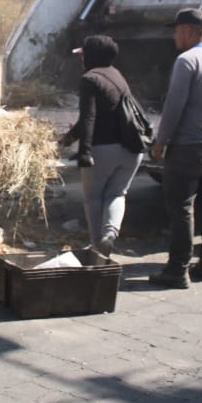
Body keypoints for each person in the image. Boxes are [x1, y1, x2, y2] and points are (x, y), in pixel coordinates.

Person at [148, 8, 202, 289]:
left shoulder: (187, 60)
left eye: (176, 31)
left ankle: (177, 269)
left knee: (182, 208)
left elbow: (174, 106)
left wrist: (162, 141)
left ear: (187, 30)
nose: (174, 36)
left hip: (187, 146)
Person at [60, 35, 143, 257]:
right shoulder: (117, 75)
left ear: (91, 56)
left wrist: (84, 151)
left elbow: (88, 118)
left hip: (104, 148)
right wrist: (65, 140)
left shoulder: (90, 79)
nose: (81, 59)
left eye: (83, 55)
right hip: (131, 150)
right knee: (117, 193)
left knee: (93, 197)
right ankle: (110, 234)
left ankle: (97, 246)